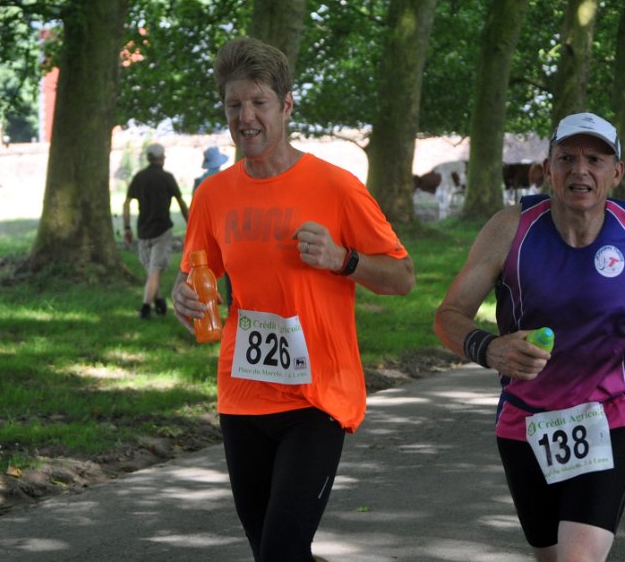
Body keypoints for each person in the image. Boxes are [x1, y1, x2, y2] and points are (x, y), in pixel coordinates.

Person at [170, 36, 414, 562]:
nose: (246, 117)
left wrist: (342, 258)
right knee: (272, 551)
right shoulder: (212, 194)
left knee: (280, 551)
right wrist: (182, 298)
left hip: (317, 398)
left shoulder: (336, 187)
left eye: (259, 102)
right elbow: (195, 276)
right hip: (242, 395)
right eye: (234, 104)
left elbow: (402, 277)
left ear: (286, 106)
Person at [434, 112, 625, 562]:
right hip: (526, 423)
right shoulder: (510, 229)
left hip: (608, 417)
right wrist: (490, 349)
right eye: (567, 158)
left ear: (617, 172)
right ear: (548, 169)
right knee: (549, 556)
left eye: (595, 160)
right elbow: (448, 316)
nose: (580, 170)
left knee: (577, 558)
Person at [123, 143, 190, 319]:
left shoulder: (139, 177)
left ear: (148, 158)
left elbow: (126, 203)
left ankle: (158, 303)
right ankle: (147, 308)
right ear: (161, 158)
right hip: (162, 230)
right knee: (153, 272)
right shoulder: (167, 177)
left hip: (143, 231)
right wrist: (190, 223)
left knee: (152, 271)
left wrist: (127, 227)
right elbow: (181, 202)